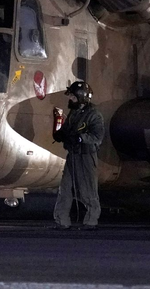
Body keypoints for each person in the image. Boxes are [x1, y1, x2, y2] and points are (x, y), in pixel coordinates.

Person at [52, 81, 105, 230]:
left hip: (86, 156)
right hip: (73, 155)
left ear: (81, 98)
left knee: (88, 190)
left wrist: (81, 138)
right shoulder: (74, 113)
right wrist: (61, 134)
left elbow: (97, 137)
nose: (70, 100)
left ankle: (91, 220)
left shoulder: (94, 115)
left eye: (73, 97)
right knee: (65, 188)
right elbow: (68, 129)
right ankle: (61, 220)